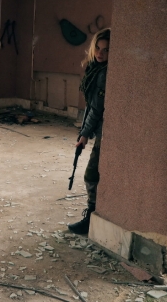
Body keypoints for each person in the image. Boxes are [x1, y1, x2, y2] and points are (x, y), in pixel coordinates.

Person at [68, 28, 110, 235]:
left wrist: (84, 135)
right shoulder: (95, 70)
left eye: (107, 50)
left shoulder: (103, 74)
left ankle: (92, 218)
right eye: (98, 48)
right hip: (102, 130)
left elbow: (96, 109)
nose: (101, 53)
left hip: (105, 132)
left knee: (91, 175)